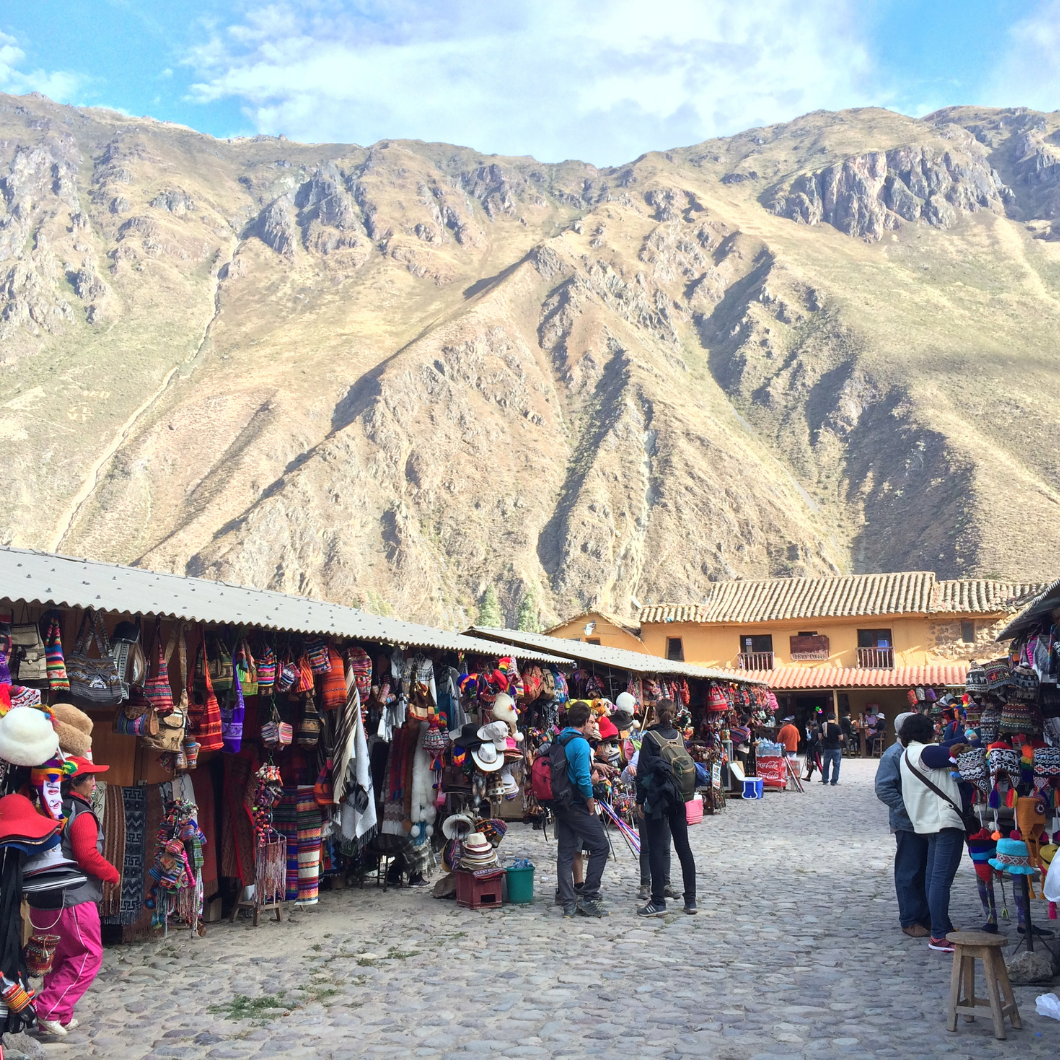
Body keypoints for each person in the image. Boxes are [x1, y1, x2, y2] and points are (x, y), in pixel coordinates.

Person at [29, 756, 120, 1036]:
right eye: (90, 777)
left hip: (42, 898)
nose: (94, 782)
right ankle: (47, 1008)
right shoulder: (81, 814)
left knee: (58, 957)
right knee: (88, 954)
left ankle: (60, 1015)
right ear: (76, 783)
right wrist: (112, 874)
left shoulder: (47, 809)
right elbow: (87, 855)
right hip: (73, 899)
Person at [898, 713, 967, 953]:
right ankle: (938, 935)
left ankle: (941, 927)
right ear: (928, 733)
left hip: (928, 823)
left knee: (932, 878)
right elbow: (950, 751)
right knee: (940, 881)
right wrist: (973, 741)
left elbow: (945, 745)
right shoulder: (926, 753)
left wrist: (970, 735)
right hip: (944, 821)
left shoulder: (909, 753)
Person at [635, 700, 697, 917]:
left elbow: (642, 772)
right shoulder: (679, 736)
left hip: (657, 798)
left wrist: (639, 800)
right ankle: (691, 900)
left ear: (655, 713)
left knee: (656, 848)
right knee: (683, 847)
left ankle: (658, 902)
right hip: (678, 797)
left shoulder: (650, 738)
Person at [874, 711, 930, 938]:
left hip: (925, 821)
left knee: (924, 871)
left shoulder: (916, 752)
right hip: (907, 824)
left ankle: (925, 916)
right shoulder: (893, 755)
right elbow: (883, 788)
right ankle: (909, 919)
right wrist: (908, 808)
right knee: (909, 872)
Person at [553, 701, 610, 918]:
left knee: (565, 853)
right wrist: (590, 801)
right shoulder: (581, 744)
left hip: (560, 802)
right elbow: (583, 778)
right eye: (591, 722)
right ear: (584, 722)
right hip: (576, 803)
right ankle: (589, 897)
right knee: (601, 846)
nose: (593, 725)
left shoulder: (560, 738)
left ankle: (568, 904)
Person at [818, 713, 844, 785]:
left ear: (827, 719)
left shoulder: (823, 726)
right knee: (836, 765)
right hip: (836, 748)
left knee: (826, 765)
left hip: (827, 747)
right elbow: (841, 738)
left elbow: (820, 737)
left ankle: (825, 780)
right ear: (835, 719)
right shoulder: (837, 727)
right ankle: (834, 781)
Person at [803, 717, 821, 781]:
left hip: (816, 748)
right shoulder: (816, 730)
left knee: (818, 762)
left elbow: (813, 740)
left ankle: (824, 776)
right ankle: (808, 776)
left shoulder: (814, 731)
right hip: (815, 748)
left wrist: (809, 740)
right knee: (813, 762)